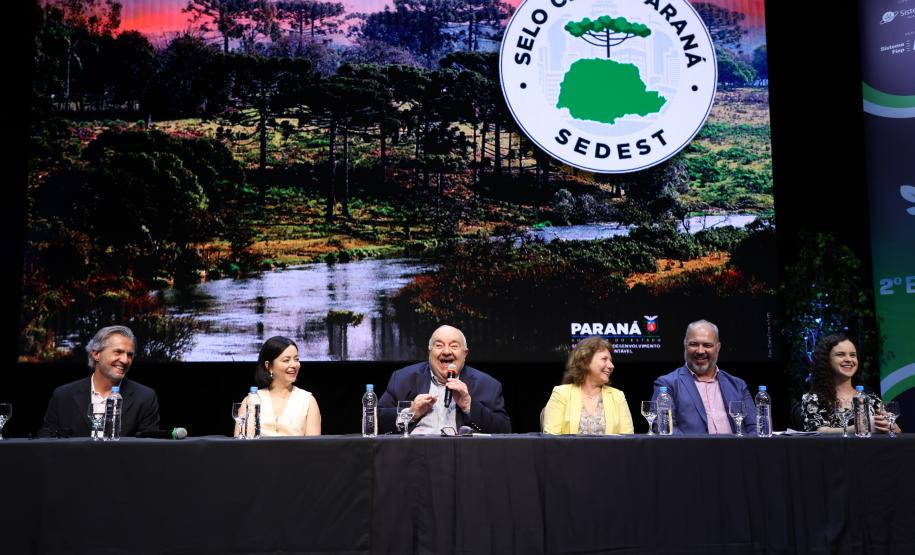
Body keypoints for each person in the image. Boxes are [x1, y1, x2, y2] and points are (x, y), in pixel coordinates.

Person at [378, 325, 511, 434]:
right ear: (429, 352)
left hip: (463, 456)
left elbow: (504, 430)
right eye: (439, 345)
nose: (446, 352)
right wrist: (411, 412)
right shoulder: (403, 378)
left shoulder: (488, 385)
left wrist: (469, 405)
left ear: (465, 354)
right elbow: (375, 421)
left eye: (454, 346)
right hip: (415, 455)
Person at [40, 325, 160, 438]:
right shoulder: (63, 396)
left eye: (129, 355)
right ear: (96, 354)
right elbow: (45, 444)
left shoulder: (145, 397)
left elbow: (148, 450)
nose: (125, 360)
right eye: (118, 352)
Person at [651, 319, 757, 435]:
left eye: (707, 345)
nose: (700, 351)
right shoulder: (667, 384)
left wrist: (743, 450)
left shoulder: (738, 385)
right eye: (694, 344)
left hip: (737, 451)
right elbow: (664, 428)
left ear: (718, 348)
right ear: (685, 345)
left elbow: (754, 427)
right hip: (690, 452)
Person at [800, 334, 900, 434]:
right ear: (826, 360)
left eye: (853, 355)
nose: (849, 359)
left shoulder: (870, 398)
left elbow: (895, 429)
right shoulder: (813, 399)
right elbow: (818, 432)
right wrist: (858, 428)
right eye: (840, 354)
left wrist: (891, 427)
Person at [543, 337, 634, 435]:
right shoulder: (561, 394)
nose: (611, 365)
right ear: (585, 361)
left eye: (611, 360)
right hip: (569, 451)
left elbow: (628, 439)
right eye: (604, 359)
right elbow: (551, 440)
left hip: (609, 451)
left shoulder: (617, 396)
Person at [236, 336, 321, 437]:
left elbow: (314, 447)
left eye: (296, 359)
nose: (294, 365)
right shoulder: (252, 400)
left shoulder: (307, 400)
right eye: (286, 360)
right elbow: (241, 445)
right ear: (268, 366)